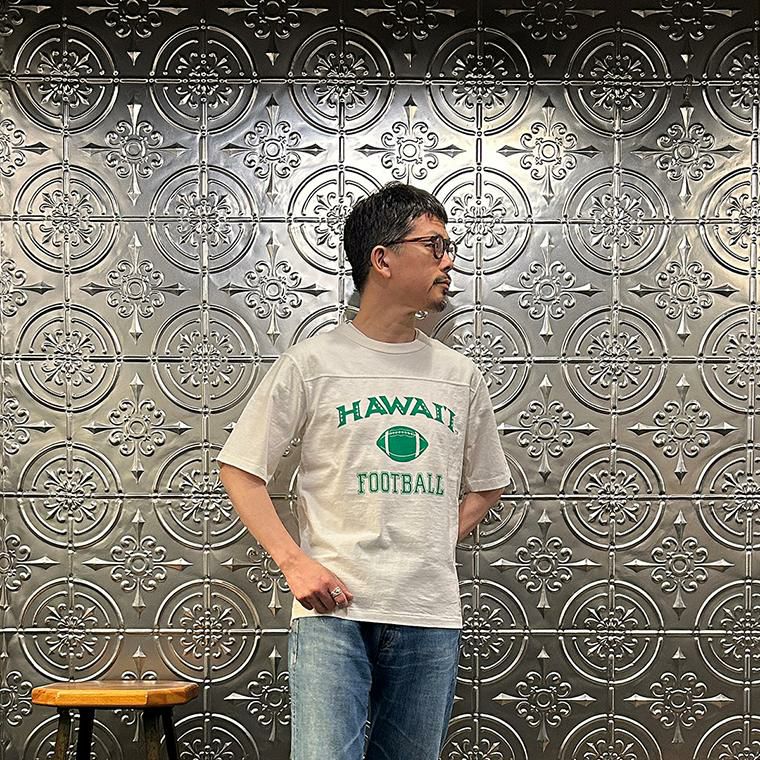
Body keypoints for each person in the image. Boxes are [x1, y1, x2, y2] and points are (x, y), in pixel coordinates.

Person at [217, 182, 511, 760]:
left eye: (449, 247)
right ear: (382, 258)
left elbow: (488, 484)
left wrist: (432, 541)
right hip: (333, 614)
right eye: (434, 246)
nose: (449, 262)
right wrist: (294, 563)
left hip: (428, 612)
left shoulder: (459, 374)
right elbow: (240, 468)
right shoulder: (313, 363)